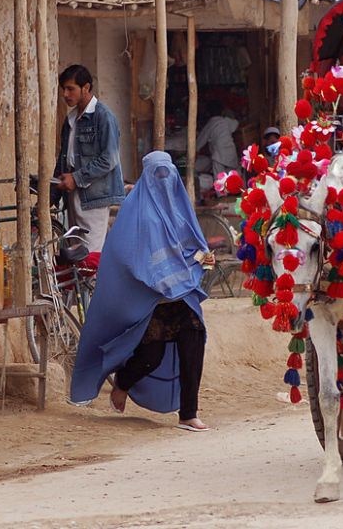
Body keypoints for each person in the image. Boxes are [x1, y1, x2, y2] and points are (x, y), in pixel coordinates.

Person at [70, 151, 214, 432]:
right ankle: (122, 383)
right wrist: (161, 276)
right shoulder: (136, 213)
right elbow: (127, 254)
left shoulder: (178, 207)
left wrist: (203, 257)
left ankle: (188, 413)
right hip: (152, 299)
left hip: (182, 295)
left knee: (193, 343)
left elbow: (193, 244)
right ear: (147, 177)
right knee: (152, 356)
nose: (164, 180)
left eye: (168, 174)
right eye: (158, 174)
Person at [54, 65, 124, 253]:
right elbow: (64, 159)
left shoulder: (103, 116)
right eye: (64, 89)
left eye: (71, 89)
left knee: (90, 253)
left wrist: (76, 178)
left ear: (86, 88)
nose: (66, 94)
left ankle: (95, 284)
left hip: (94, 195)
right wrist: (53, 194)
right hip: (73, 194)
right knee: (76, 252)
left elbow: (109, 159)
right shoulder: (70, 120)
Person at [196, 101, 240, 177]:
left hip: (219, 156)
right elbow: (236, 124)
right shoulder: (226, 121)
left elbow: (200, 141)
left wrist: (195, 150)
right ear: (222, 112)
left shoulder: (210, 124)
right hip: (231, 153)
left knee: (219, 181)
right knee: (232, 179)